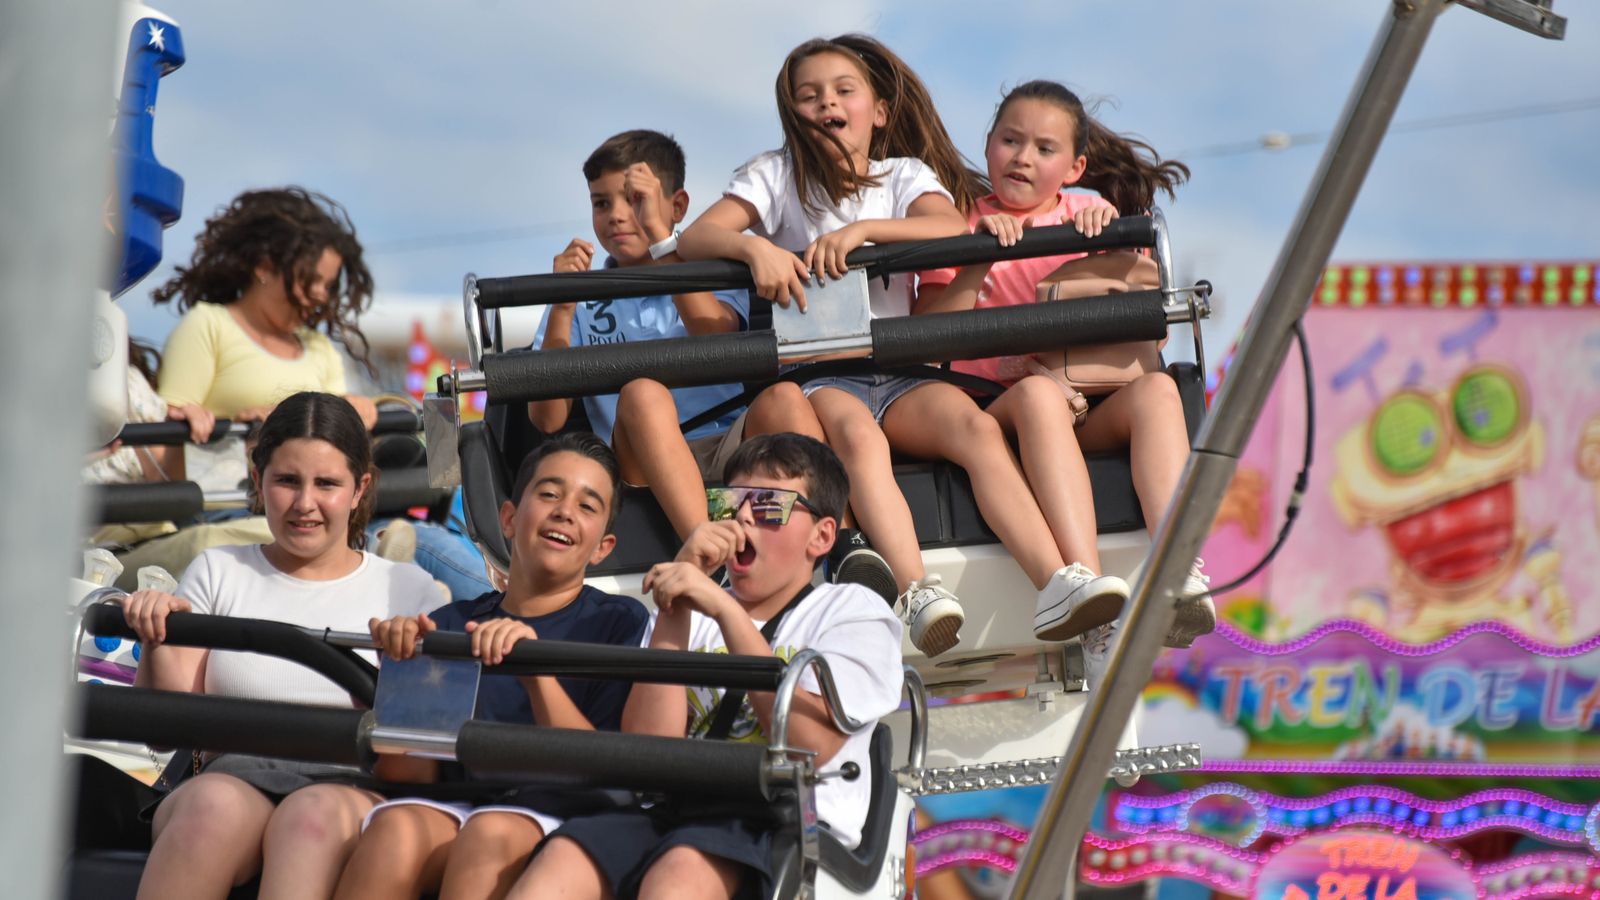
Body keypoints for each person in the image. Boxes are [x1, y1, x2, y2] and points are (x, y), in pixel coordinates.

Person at [679, 34, 1111, 655]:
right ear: (792, 112)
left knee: (974, 428)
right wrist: (754, 249)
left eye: (843, 90)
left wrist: (862, 232)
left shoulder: (903, 175)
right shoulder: (775, 176)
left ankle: (1056, 582)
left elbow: (946, 224)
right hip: (825, 373)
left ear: (878, 111)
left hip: (902, 370)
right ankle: (915, 589)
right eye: (809, 95)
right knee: (859, 438)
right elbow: (696, 238)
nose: (827, 103)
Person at [508, 433, 903, 900]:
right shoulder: (691, 612)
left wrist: (725, 611)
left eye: (768, 506)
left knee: (679, 875)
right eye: (728, 504)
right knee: (563, 858)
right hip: (671, 812)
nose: (742, 518)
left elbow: (809, 744)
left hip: (781, 822)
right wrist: (675, 605)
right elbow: (648, 753)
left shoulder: (851, 610)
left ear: (822, 536)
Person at [914, 80, 1211, 653]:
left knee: (1157, 391)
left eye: (1044, 148)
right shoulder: (957, 224)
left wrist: (1111, 250)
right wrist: (977, 258)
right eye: (1010, 140)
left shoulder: (1089, 216)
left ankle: (1177, 568)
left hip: (1085, 403)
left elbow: (1140, 327)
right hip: (1000, 408)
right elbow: (925, 336)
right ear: (988, 143)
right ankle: (1086, 587)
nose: (1023, 157)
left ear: (1075, 168)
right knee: (1039, 396)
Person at [118, 392, 439, 899]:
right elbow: (162, 734)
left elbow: (424, 756)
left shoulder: (411, 589)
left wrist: (404, 672)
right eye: (287, 481)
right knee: (209, 812)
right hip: (231, 779)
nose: (304, 503)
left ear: (360, 488)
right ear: (259, 478)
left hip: (352, 786)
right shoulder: (218, 570)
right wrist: (157, 634)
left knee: (309, 819)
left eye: (326, 484)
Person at [334, 432, 649, 900]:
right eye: (549, 494)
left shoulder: (619, 622)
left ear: (603, 547)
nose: (564, 511)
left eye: (587, 505)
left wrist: (535, 674)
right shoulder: (450, 623)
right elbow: (408, 777)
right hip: (459, 804)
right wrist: (405, 676)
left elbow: (595, 771)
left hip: (567, 811)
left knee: (489, 833)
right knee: (396, 828)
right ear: (509, 518)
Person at [150, 186, 494, 599]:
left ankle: (506, 607)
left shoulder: (319, 349)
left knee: (428, 538)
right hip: (238, 501)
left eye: (328, 285)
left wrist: (364, 412)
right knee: (400, 538)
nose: (319, 294)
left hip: (327, 505)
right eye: (310, 280)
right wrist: (252, 426)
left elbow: (333, 436)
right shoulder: (209, 326)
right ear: (265, 266)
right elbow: (161, 437)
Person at [527, 130, 818, 544]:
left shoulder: (709, 268)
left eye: (635, 200)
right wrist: (561, 303)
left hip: (733, 459)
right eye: (601, 203)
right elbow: (547, 419)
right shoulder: (578, 299)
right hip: (640, 475)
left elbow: (713, 333)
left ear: (677, 206)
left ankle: (821, 548)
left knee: (785, 398)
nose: (616, 215)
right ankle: (707, 550)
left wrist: (660, 238)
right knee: (643, 394)